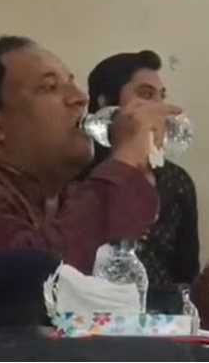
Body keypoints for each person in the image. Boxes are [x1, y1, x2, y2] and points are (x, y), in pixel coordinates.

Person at [0, 36, 209, 333]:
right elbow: (34, 288)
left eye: (72, 82)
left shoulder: (65, 196)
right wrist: (124, 167)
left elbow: (123, 323)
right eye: (49, 87)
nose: (79, 98)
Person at [83, 50, 199, 287]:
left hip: (164, 309)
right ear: (106, 103)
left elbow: (187, 275)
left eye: (161, 96)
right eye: (146, 95)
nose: (158, 108)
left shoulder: (176, 180)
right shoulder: (80, 175)